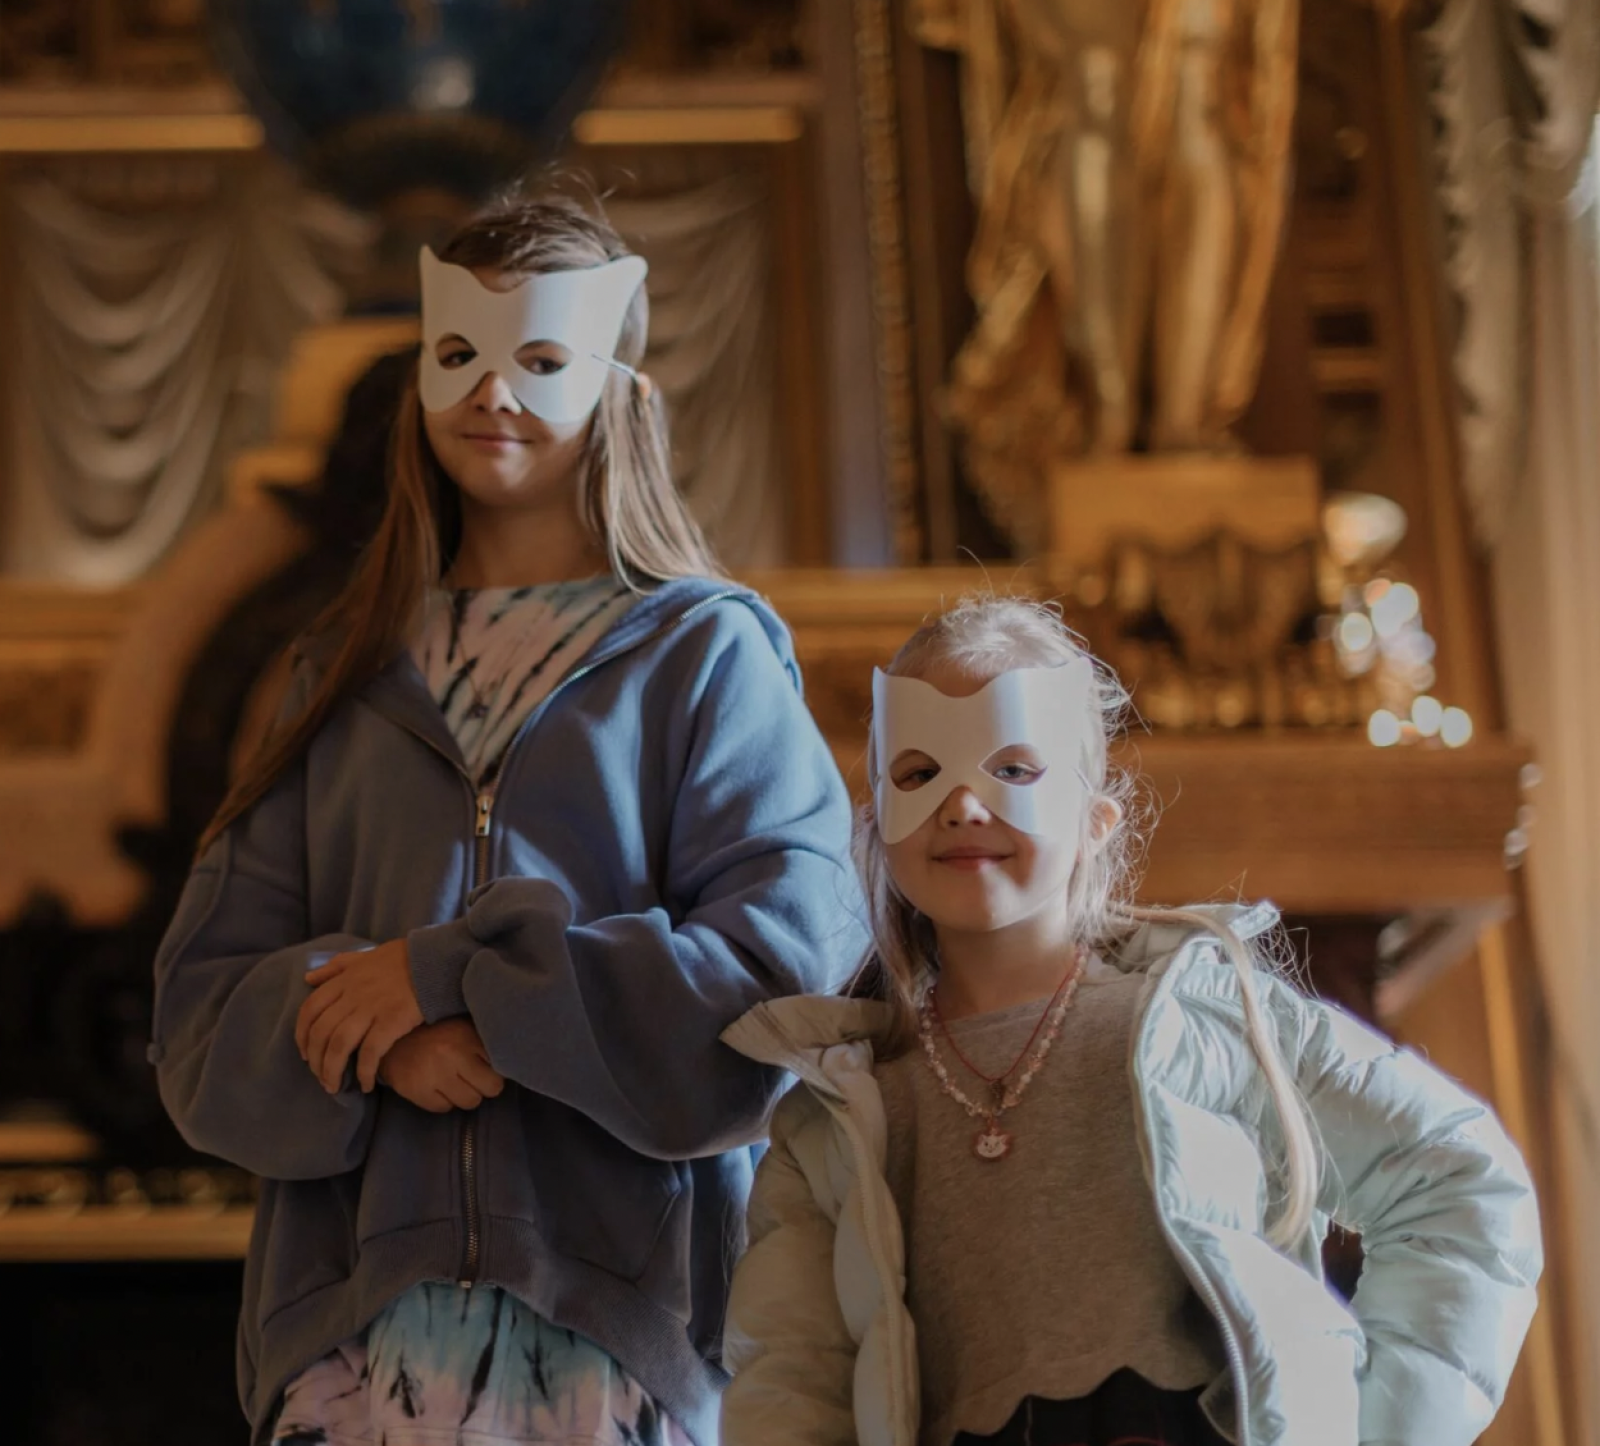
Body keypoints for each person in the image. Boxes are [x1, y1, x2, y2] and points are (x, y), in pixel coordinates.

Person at [149, 190, 865, 1446]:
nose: (495, 393)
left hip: (626, 1349)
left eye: (542, 359)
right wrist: (370, 1032)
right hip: (357, 1360)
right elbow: (202, 1011)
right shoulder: (339, 673)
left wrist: (460, 984)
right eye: (461, 356)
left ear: (621, 389)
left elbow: (787, 975)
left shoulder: (705, 659)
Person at [718, 593, 1542, 1446]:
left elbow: (1460, 1177)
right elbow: (792, 1381)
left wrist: (1371, 1426)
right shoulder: (838, 1120)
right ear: (879, 823)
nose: (963, 805)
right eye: (921, 772)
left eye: (1012, 770)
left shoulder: (1209, 1024)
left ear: (1094, 823)